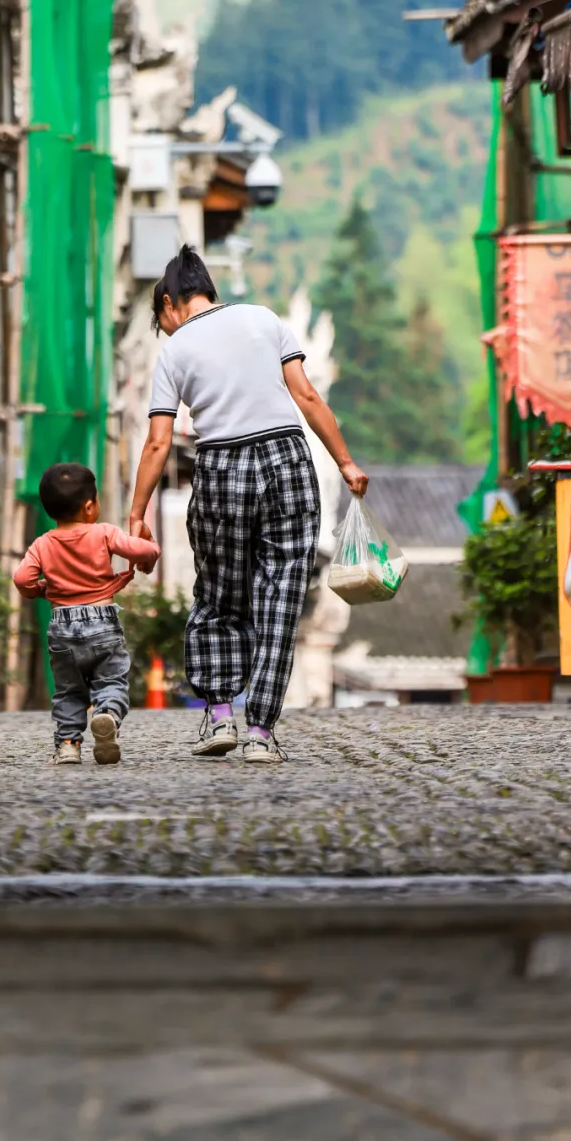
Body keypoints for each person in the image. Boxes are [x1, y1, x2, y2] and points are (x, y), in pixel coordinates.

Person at [128, 245, 368, 766]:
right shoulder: (265, 319)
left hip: (222, 468)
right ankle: (260, 731)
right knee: (281, 598)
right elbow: (307, 398)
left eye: (161, 321)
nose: (166, 330)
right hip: (287, 459)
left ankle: (219, 716)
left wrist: (135, 513)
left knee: (218, 594)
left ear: (171, 303)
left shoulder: (174, 349)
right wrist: (346, 464)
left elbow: (157, 442)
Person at [13, 462, 160, 766]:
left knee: (68, 690)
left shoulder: (42, 544)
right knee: (111, 681)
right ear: (90, 505)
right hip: (102, 621)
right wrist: (149, 547)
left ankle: (68, 744)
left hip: (62, 627)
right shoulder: (104, 533)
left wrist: (43, 590)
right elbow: (145, 552)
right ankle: (106, 713)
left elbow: (22, 580)